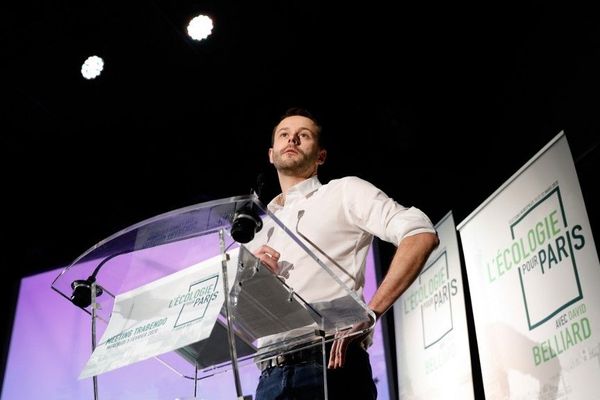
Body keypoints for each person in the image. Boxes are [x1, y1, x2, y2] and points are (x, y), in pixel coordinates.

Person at [247, 107, 439, 399]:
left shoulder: (344, 192)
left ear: (321, 156)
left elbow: (420, 233)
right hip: (269, 378)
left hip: (331, 365)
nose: (293, 140)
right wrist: (255, 279)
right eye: (284, 135)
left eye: (304, 135)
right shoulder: (258, 227)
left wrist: (370, 312)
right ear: (271, 154)